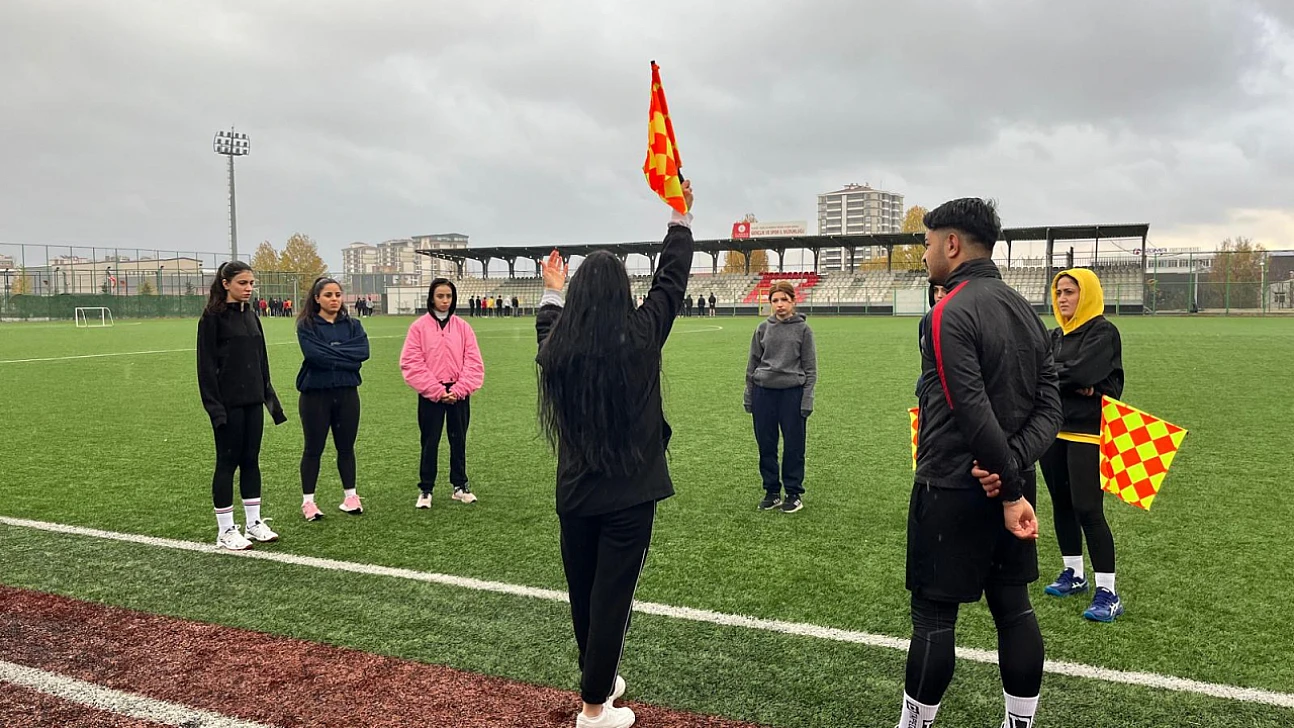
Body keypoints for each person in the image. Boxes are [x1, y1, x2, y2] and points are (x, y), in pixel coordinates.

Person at [536, 181, 695, 728]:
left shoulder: (556, 347)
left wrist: (553, 289)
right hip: (629, 495)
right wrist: (678, 218)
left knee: (586, 596)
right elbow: (671, 282)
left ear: (578, 294)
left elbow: (546, 324)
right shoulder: (643, 333)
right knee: (611, 601)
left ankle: (597, 679)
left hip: (576, 493)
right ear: (622, 291)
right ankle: (593, 710)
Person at [900, 198, 1062, 728]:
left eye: (927, 243)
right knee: (1013, 608)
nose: (924, 255)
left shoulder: (948, 311)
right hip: (1011, 489)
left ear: (952, 244)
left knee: (934, 619)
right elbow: (1050, 407)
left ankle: (915, 723)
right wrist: (1013, 471)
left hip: (953, 486)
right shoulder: (1026, 312)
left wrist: (1006, 482)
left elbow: (971, 411)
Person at [1039, 268, 1126, 622]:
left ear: (1086, 293)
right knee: (1062, 505)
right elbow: (1037, 369)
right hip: (1052, 428)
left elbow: (1080, 373)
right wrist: (1071, 379)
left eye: (1070, 292)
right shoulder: (1055, 335)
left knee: (1088, 509)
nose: (1062, 298)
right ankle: (1074, 573)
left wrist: (1074, 378)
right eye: (1059, 292)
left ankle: (1108, 591)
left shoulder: (1103, 332)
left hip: (1088, 431)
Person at [196, 261, 288, 551]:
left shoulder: (251, 315)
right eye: (242, 283)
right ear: (225, 283)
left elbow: (261, 362)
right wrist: (215, 409)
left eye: (251, 283)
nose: (249, 289)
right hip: (228, 406)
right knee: (227, 463)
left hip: (253, 404)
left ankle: (254, 523)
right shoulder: (211, 319)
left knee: (251, 461)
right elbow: (206, 368)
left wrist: (270, 402)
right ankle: (225, 530)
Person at [400, 277, 485, 507]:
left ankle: (460, 485)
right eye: (440, 296)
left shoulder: (464, 328)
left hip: (458, 393)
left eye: (448, 296)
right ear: (431, 298)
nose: (445, 300)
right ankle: (426, 489)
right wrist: (437, 391)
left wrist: (459, 390)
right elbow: (411, 362)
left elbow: (474, 362)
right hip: (431, 394)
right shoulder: (418, 328)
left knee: (458, 440)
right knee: (430, 441)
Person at [296, 276, 370, 521]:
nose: (334, 299)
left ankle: (350, 497)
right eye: (328, 295)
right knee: (313, 449)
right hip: (315, 395)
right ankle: (308, 502)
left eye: (337, 295)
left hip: (347, 393)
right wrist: (345, 355)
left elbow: (362, 352)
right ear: (317, 298)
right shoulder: (307, 325)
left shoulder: (353, 325)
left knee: (346, 448)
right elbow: (315, 356)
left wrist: (333, 351)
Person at [744, 280, 817, 513]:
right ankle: (772, 491)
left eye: (784, 299)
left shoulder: (803, 330)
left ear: (793, 301)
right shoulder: (762, 329)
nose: (779, 304)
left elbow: (810, 369)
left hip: (791, 394)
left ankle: (793, 493)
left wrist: (807, 400)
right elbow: (752, 364)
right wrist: (749, 395)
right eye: (775, 300)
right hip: (763, 393)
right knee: (766, 445)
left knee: (794, 446)